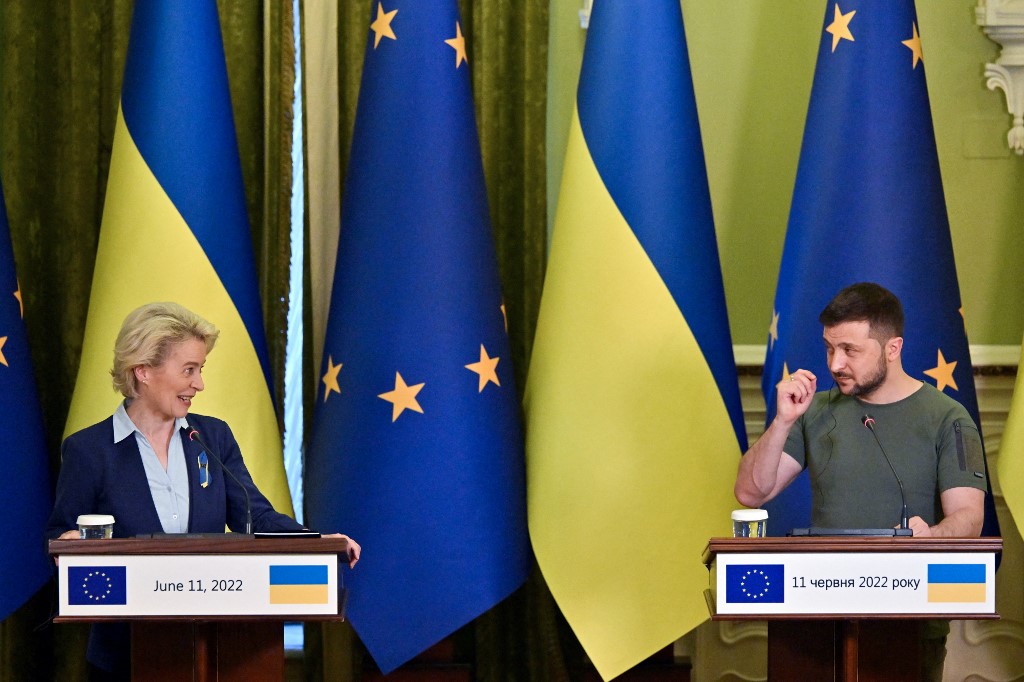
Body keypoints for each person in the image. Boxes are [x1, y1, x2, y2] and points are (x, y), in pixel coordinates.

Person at [47, 302, 360, 679]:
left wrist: (316, 542)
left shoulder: (212, 437)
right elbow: (60, 537)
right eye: (189, 370)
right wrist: (69, 542)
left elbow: (253, 517)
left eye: (200, 370)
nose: (199, 384)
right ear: (143, 371)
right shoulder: (89, 450)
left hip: (218, 653)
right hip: (124, 658)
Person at [734, 282, 987, 680]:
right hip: (816, 622)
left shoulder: (948, 418)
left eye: (850, 350)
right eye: (829, 347)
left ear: (892, 348)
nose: (835, 364)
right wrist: (782, 422)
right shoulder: (814, 412)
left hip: (911, 622)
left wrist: (930, 537)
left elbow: (970, 519)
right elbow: (751, 493)